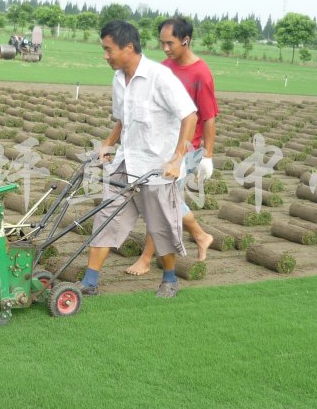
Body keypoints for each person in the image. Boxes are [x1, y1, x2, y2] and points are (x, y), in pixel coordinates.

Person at [80, 20, 198, 299]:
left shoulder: (160, 77)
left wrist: (177, 159)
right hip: (126, 162)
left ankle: (170, 280)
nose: (105, 55)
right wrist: (107, 144)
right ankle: (89, 281)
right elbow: (123, 119)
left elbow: (189, 116)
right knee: (106, 217)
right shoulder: (119, 79)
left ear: (128, 47)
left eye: (109, 50)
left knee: (161, 226)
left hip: (157, 168)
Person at [126, 17, 218, 275]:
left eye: (170, 43)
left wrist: (207, 156)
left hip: (188, 148)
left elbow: (208, 117)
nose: (165, 49)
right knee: (166, 201)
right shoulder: (163, 69)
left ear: (185, 41)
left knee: (161, 201)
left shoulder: (201, 73)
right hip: (163, 145)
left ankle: (145, 259)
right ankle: (201, 236)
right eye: (162, 43)